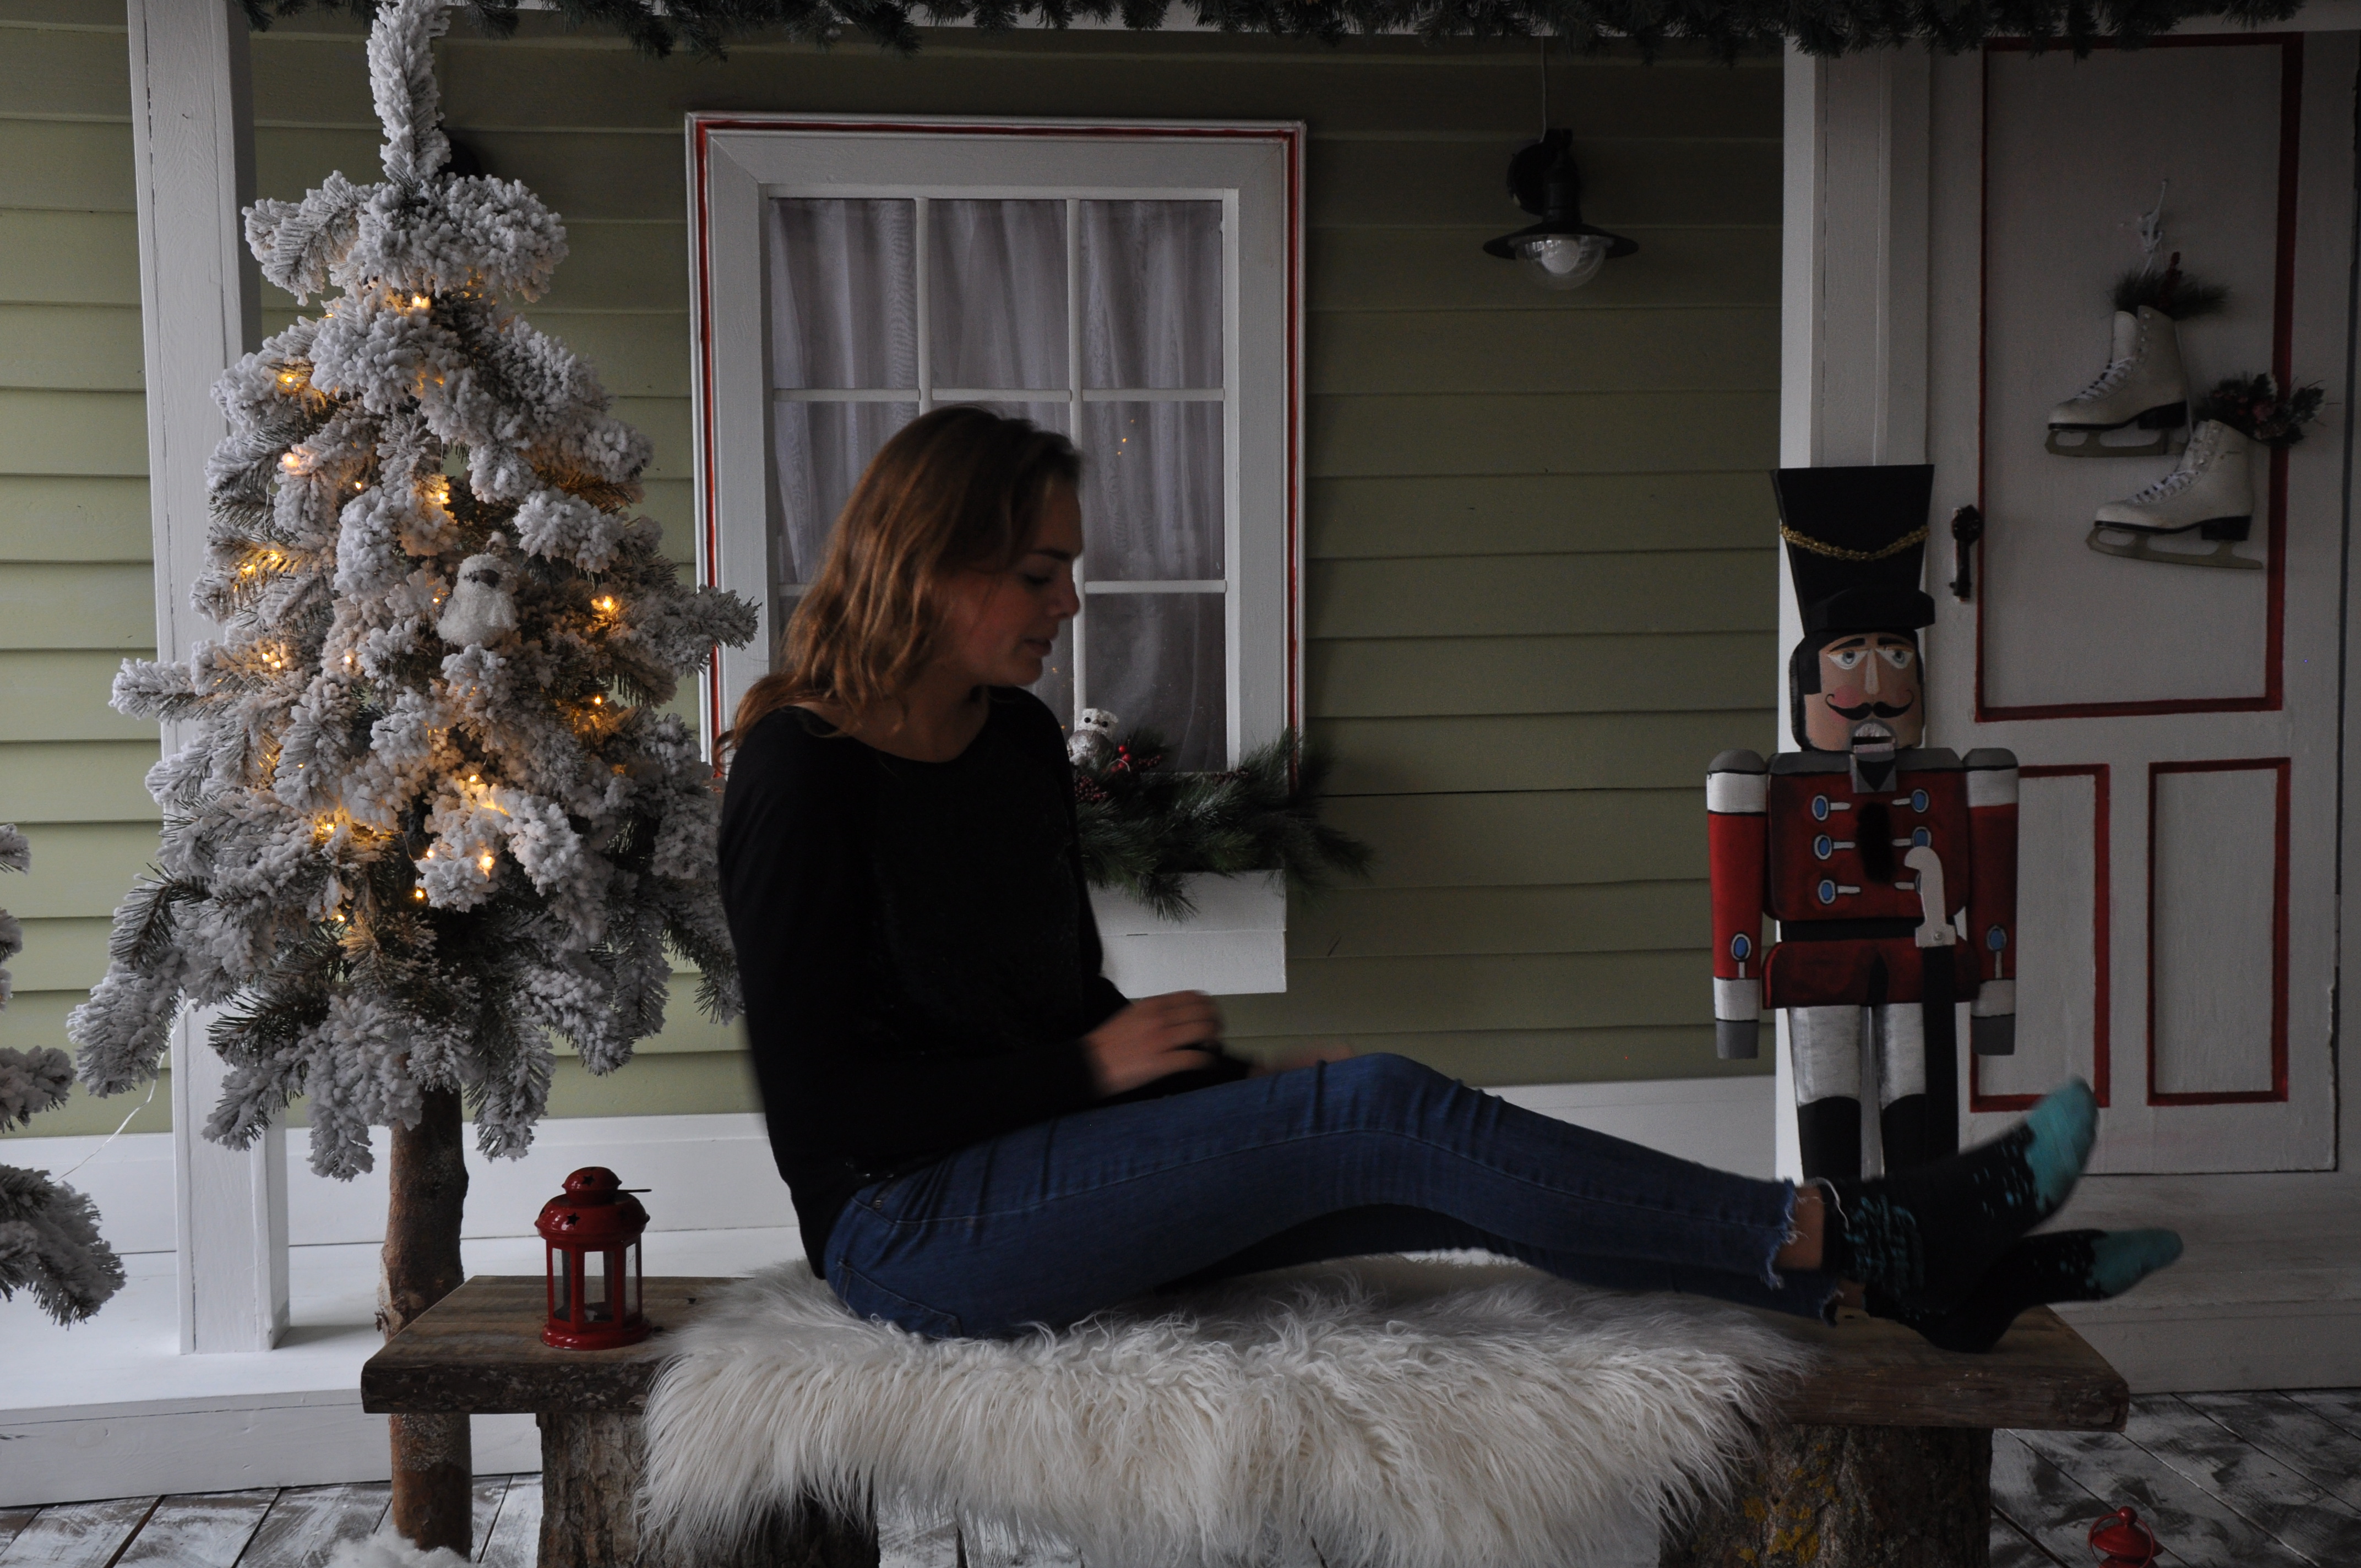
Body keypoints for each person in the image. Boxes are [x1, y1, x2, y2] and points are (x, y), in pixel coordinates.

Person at [717, 406, 2180, 1353]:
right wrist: (1098, 1070)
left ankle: (1901, 1282)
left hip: (1041, 1175)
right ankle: (1869, 1232)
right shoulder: (802, 773)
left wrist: (1232, 1091)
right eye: (1039, 572)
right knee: (1377, 1112)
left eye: (1068, 567)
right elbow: (824, 1114)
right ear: (934, 564)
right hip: (905, 1236)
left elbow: (1057, 1014)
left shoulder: (1016, 743)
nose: (1072, 599)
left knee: (1408, 1134)